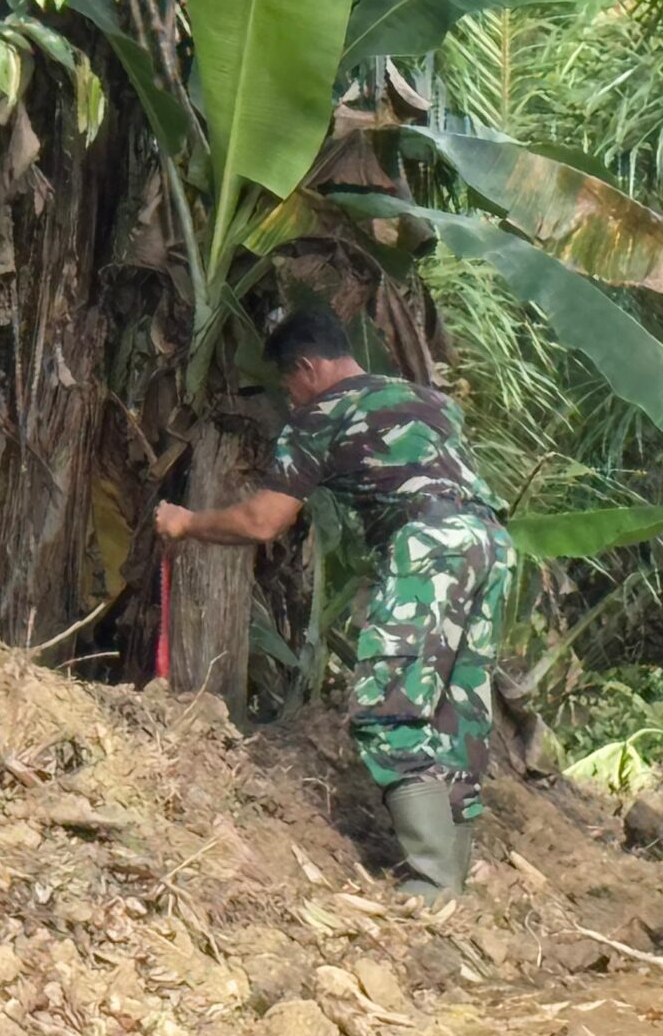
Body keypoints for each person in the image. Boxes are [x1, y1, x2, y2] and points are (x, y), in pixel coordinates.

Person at [155, 305, 512, 909]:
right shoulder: (427, 400)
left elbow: (263, 522)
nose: (289, 399)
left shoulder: (321, 414)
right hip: (491, 545)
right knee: (459, 713)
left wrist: (187, 522)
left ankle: (429, 881)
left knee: (386, 707)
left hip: (428, 545)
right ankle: (452, 883)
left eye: (288, 384)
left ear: (307, 367)